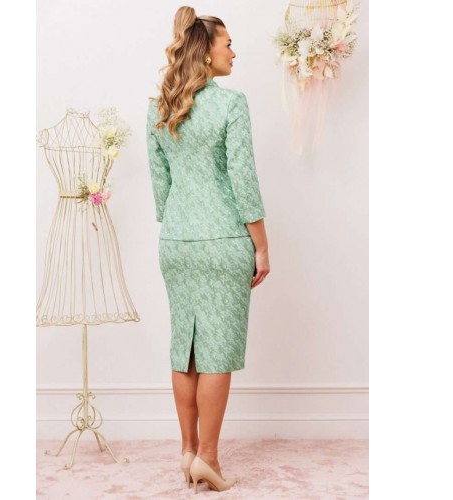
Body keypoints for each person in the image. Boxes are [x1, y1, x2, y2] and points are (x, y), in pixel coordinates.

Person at [146, 6, 270, 494]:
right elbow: (243, 179)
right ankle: (210, 459)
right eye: (228, 44)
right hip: (223, 241)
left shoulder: (159, 108)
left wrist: (181, 218)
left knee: (186, 349)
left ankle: (187, 450)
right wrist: (261, 246)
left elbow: (161, 190)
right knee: (216, 352)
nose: (234, 52)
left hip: (176, 243)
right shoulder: (231, 104)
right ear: (206, 52)